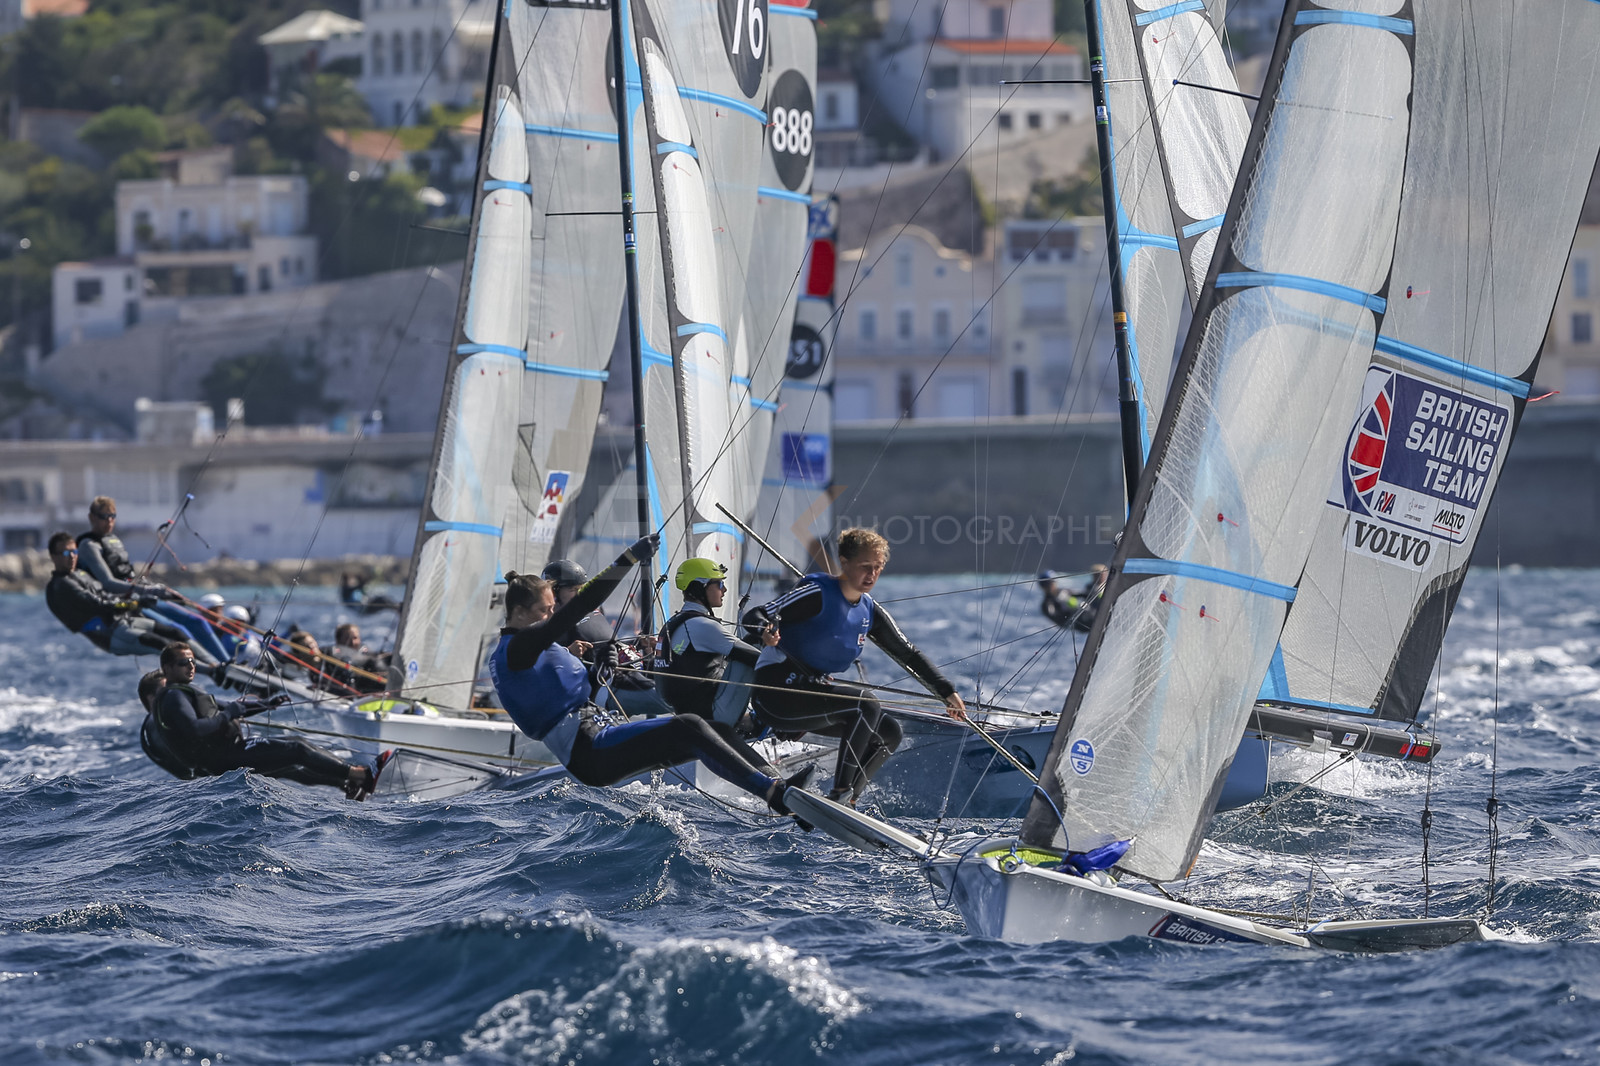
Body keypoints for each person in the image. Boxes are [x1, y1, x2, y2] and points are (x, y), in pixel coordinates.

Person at [489, 534, 811, 819]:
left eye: (551, 609)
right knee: (690, 726)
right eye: (544, 610)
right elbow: (580, 606)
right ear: (520, 611)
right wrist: (628, 558)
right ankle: (776, 795)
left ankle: (780, 789)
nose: (551, 616)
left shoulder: (527, 650)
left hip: (598, 737)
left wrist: (599, 665)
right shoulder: (516, 649)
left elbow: (558, 689)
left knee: (712, 729)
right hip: (588, 750)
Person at [744, 528, 966, 807]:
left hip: (811, 695)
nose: (872, 574)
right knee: (866, 705)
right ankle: (840, 793)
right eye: (865, 566)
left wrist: (946, 692)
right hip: (776, 695)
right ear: (844, 562)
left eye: (878, 567)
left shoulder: (868, 610)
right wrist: (765, 629)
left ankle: (848, 802)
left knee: (889, 733)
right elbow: (756, 614)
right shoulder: (817, 592)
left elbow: (907, 653)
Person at [150, 643, 388, 799]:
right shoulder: (173, 697)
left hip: (226, 755)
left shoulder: (186, 692)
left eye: (193, 661)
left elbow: (231, 706)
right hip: (224, 758)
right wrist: (228, 714)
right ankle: (362, 775)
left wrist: (266, 704)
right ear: (167, 668)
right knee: (296, 749)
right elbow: (195, 729)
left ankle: (350, 782)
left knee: (294, 755)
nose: (191, 666)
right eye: (184, 663)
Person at [75, 496, 231, 663]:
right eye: (104, 517)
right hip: (125, 603)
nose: (109, 521)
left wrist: (161, 589)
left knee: (196, 621)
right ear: (92, 517)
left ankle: (228, 662)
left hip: (141, 594)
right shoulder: (88, 546)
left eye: (112, 516)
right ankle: (215, 667)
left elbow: (130, 576)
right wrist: (149, 590)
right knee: (177, 630)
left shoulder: (113, 541)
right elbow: (108, 583)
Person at [45, 532, 217, 665]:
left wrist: (140, 597)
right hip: (110, 634)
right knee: (164, 645)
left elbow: (108, 596)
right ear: (53, 556)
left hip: (123, 620)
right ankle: (212, 670)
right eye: (66, 553)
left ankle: (215, 664)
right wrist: (135, 603)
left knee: (176, 632)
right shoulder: (61, 584)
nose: (72, 556)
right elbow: (100, 604)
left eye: (74, 552)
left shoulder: (81, 574)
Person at [656, 558, 777, 726]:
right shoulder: (702, 625)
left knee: (750, 647)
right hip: (714, 716)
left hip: (692, 713)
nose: (724, 589)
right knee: (757, 646)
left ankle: (749, 716)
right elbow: (756, 658)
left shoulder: (677, 621)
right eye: (719, 584)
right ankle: (776, 713)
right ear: (699, 588)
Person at [543, 557, 670, 716]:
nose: (581, 594)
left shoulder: (591, 611)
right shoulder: (548, 626)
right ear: (554, 593)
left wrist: (638, 643)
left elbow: (604, 642)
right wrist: (567, 653)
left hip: (631, 671)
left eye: (582, 589)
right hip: (607, 688)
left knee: (687, 685)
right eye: (573, 589)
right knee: (675, 701)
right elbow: (541, 668)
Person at [1040, 565, 1106, 633]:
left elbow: (1083, 594)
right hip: (1079, 624)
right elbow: (1059, 620)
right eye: (1047, 584)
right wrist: (1070, 610)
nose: (1051, 586)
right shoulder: (1047, 604)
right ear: (1043, 587)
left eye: (1052, 583)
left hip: (1088, 614)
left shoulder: (1064, 591)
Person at [328, 622, 390, 693]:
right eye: (347, 638)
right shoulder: (332, 654)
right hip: (344, 691)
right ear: (338, 640)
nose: (352, 642)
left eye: (355, 638)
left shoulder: (365, 652)